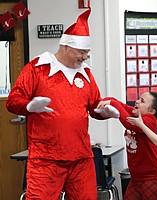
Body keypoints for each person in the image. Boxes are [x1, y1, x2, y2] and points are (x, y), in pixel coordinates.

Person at [6, 9, 118, 200]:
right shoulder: (37, 69)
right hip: (46, 157)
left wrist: (104, 111)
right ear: (65, 47)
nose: (85, 57)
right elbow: (13, 101)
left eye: (87, 53)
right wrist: (29, 107)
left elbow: (94, 107)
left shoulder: (86, 74)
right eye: (81, 52)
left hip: (80, 156)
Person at [97, 91, 157, 200]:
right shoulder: (135, 114)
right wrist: (107, 100)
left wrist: (113, 103)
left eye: (142, 101)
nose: (136, 101)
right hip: (137, 178)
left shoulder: (150, 121)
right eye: (138, 98)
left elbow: (127, 122)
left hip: (153, 178)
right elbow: (123, 106)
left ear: (151, 111)